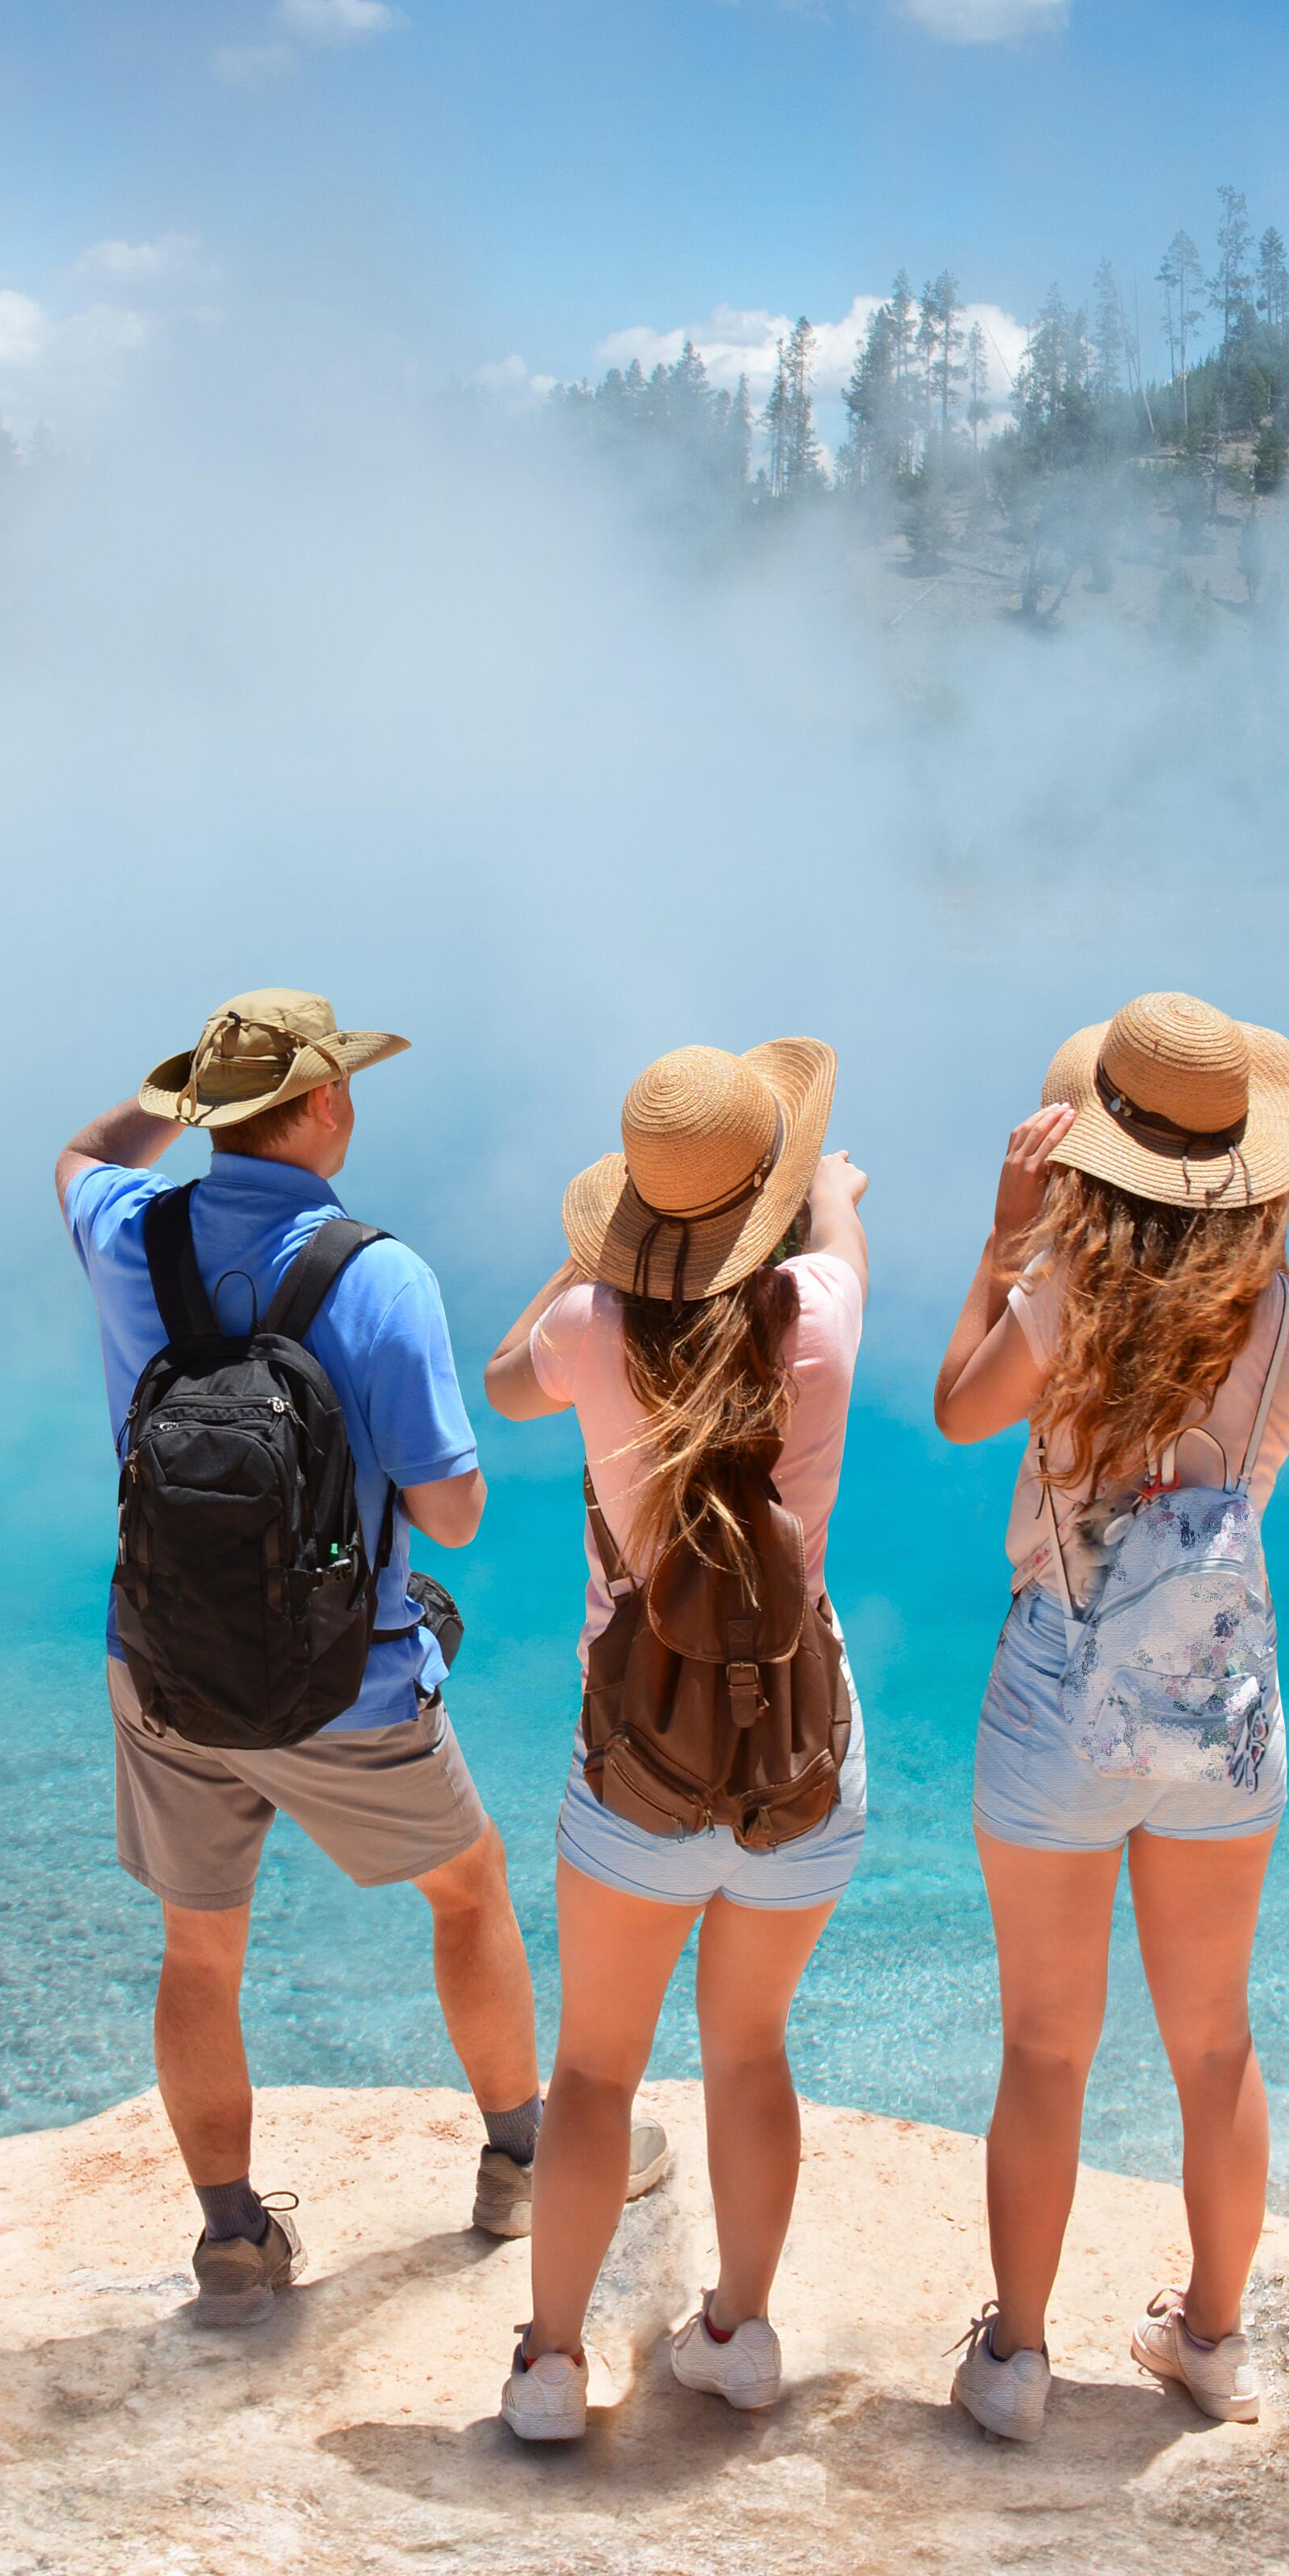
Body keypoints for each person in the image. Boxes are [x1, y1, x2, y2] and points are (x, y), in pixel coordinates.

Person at [53, 986, 657, 2318]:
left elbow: (81, 1160)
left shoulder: (127, 1233)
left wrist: (176, 1099)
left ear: (212, 1111)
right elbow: (453, 1508)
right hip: (344, 1682)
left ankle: (232, 2239)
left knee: (200, 1951)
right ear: (326, 1103)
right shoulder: (377, 1272)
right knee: (469, 1886)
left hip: (162, 1660)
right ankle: (517, 2159)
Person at [927, 988, 1289, 2440]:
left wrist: (1006, 1241)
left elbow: (962, 1411)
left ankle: (1018, 2360)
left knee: (1048, 2043)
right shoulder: (1279, 1313)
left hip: (1058, 1682)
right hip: (1219, 1695)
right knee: (1213, 2040)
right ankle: (1213, 2338)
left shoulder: (1065, 1292)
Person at [476, 1041, 872, 2444]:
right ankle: (738, 2334)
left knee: (593, 2071)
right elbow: (837, 1233)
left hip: (634, 1768)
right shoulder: (822, 1314)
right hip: (796, 1766)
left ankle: (549, 2367)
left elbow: (503, 1383)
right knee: (750, 2051)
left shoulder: (589, 1328)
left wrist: (580, 1257)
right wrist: (827, 1190)